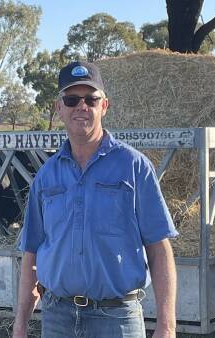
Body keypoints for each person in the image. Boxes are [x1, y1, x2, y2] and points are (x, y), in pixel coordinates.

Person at [12, 61, 179, 338]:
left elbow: (159, 248)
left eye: (91, 99)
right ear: (59, 108)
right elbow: (32, 253)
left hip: (116, 321)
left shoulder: (134, 167)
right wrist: (20, 324)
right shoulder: (46, 176)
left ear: (104, 106)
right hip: (57, 319)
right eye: (72, 99)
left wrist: (167, 325)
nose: (82, 106)